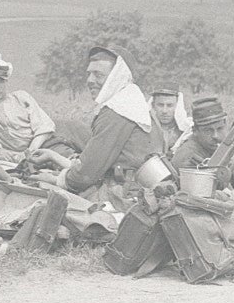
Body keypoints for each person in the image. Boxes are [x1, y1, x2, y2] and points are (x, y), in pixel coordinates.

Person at [29, 45, 164, 204]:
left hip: (123, 195)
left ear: (117, 78)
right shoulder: (133, 104)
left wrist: (56, 180)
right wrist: (54, 157)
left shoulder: (117, 111)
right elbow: (93, 163)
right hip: (142, 190)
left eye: (98, 75)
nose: (90, 80)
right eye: (89, 74)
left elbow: (85, 175)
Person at [161, 95, 234, 203]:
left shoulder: (209, 145)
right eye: (208, 131)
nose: (215, 136)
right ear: (195, 131)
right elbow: (202, 194)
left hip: (221, 189)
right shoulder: (187, 156)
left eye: (219, 128)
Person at [0, 54, 56, 170]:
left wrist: (30, 151)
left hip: (42, 146)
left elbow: (45, 126)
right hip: (10, 159)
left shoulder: (21, 97)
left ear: (6, 82)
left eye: (1, 82)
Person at [150, 87, 193, 153]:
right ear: (153, 106)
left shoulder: (187, 131)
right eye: (160, 105)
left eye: (170, 105)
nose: (164, 111)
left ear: (177, 106)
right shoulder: (147, 129)